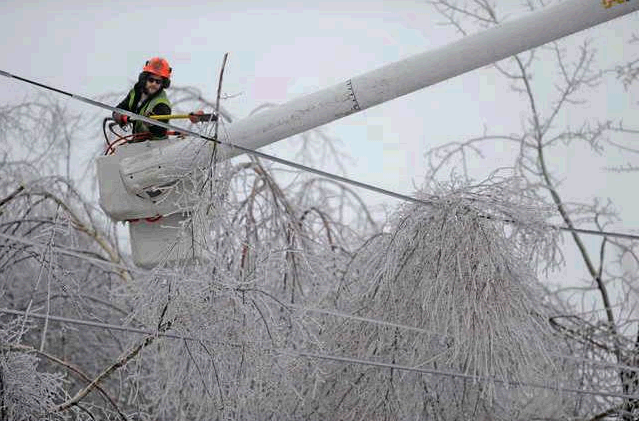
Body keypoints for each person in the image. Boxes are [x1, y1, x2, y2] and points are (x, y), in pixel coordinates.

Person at [112, 57, 172, 140]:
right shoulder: (135, 93)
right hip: (137, 144)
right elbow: (119, 109)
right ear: (144, 79)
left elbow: (161, 132)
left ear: (163, 84)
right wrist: (119, 116)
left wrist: (151, 124)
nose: (154, 84)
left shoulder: (162, 104)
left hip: (156, 148)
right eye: (151, 80)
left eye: (158, 82)